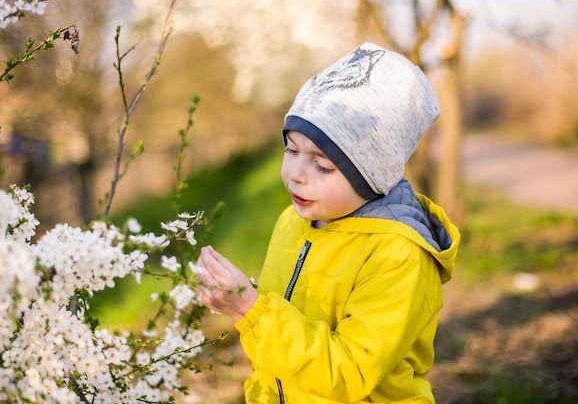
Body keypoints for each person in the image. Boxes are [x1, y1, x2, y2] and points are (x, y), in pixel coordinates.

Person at [195, 42, 460, 404]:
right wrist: (238, 296)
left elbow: (348, 372)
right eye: (291, 149)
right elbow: (295, 304)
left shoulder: (398, 257)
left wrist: (250, 310)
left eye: (322, 165)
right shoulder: (294, 220)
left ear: (372, 176)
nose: (296, 174)